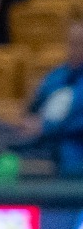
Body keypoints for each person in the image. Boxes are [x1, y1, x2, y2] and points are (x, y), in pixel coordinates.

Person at [24, 22, 83, 176]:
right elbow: (33, 107)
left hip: (75, 150)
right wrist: (29, 121)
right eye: (72, 43)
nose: (75, 49)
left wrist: (45, 127)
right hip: (41, 147)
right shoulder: (55, 76)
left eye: (80, 43)